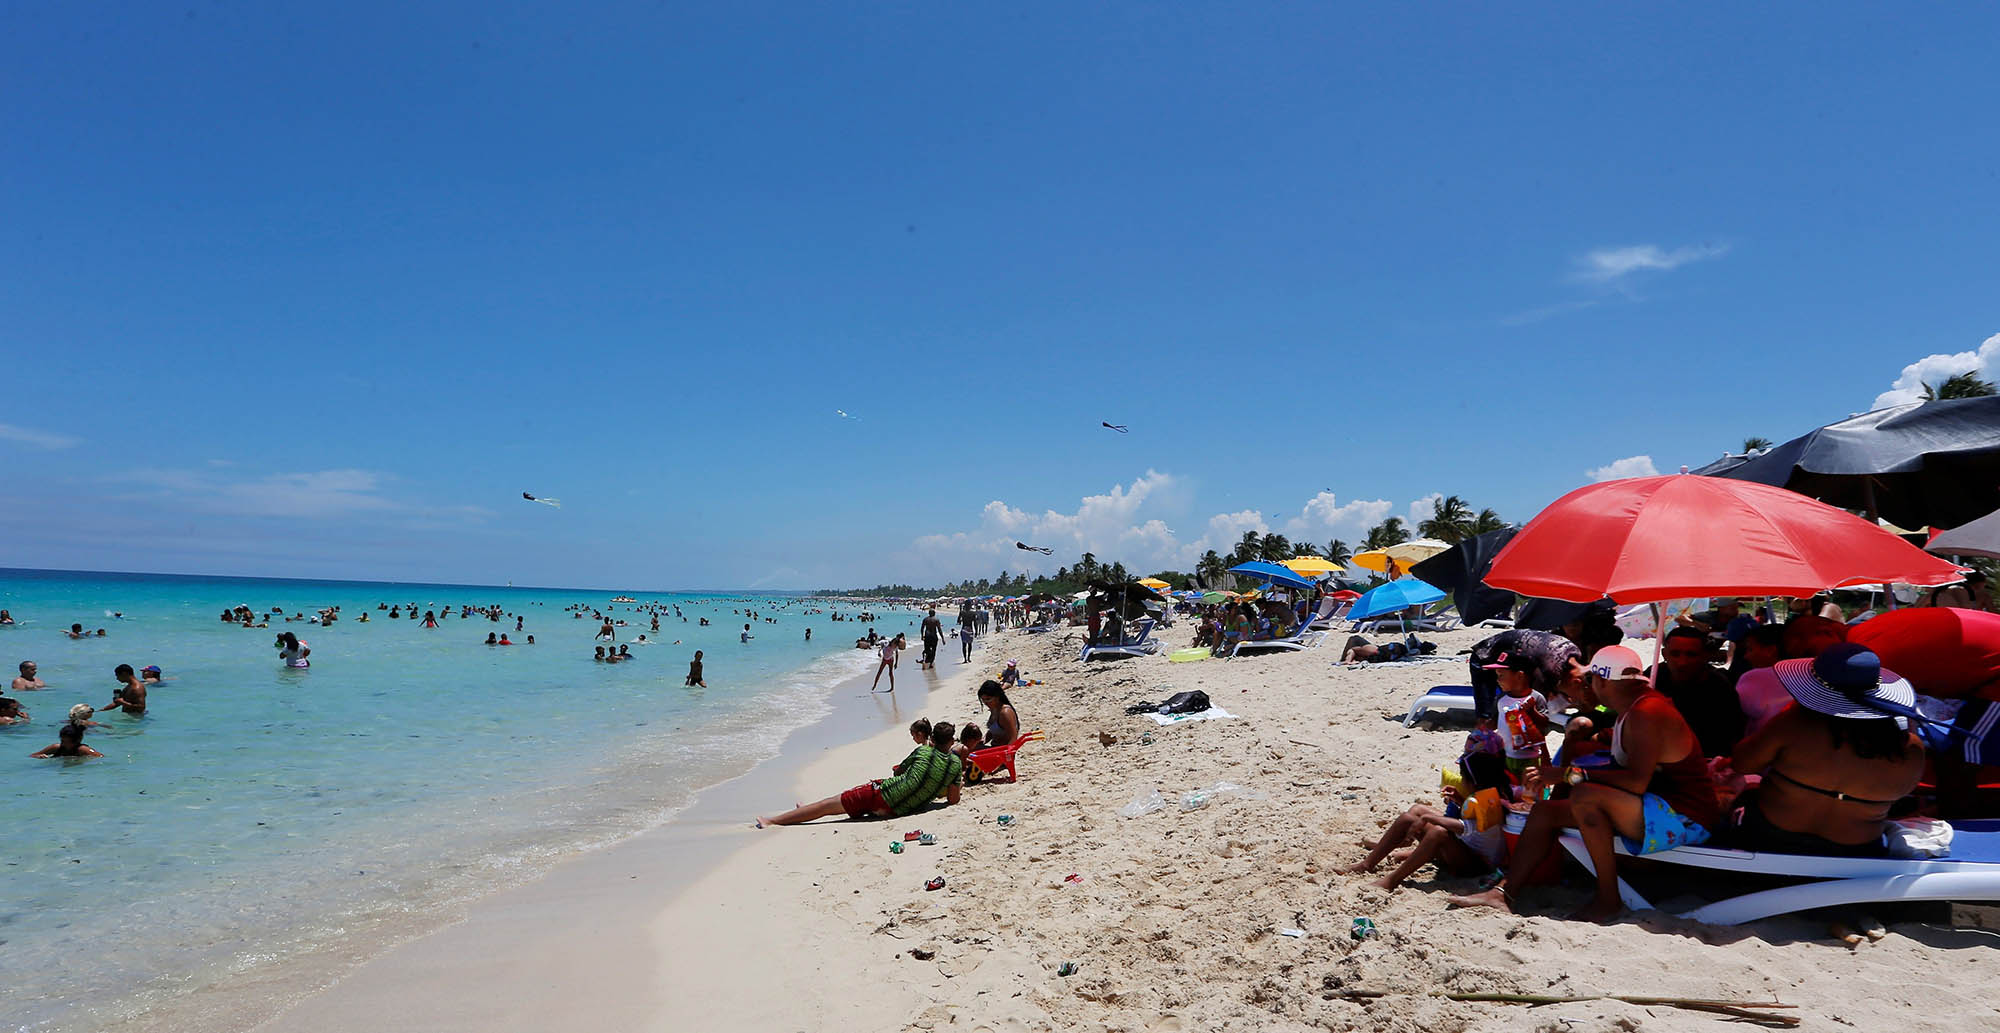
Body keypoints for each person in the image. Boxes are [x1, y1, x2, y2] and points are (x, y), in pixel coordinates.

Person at [1449, 644, 1721, 922]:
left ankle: (1608, 899)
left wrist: (1567, 773)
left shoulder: (1647, 713)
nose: (1589, 687)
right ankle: (1504, 892)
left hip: (1685, 817)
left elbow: (1636, 782)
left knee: (1587, 795)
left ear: (1603, 681)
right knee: (1545, 813)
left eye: (1591, 680)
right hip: (1659, 804)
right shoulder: (1635, 706)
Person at [1721, 644, 1926, 856]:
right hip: (1858, 849)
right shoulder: (1909, 748)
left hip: (1770, 835)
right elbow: (1903, 792)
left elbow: (1742, 762)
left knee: (1746, 792)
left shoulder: (1795, 723)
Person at [1342, 752, 1520, 890]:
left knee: (1437, 831)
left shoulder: (1493, 803)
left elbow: (1465, 827)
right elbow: (1472, 824)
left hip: (1477, 865)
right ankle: (1368, 863)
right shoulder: (1485, 794)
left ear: (1473, 782)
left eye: (1462, 778)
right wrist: (1459, 801)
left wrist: (1429, 818)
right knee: (1414, 812)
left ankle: (1391, 880)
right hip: (1465, 848)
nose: (1461, 781)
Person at [757, 721, 962, 826]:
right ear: (951, 741)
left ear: (932, 739)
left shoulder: (923, 751)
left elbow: (899, 772)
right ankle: (806, 810)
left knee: (827, 806)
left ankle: (773, 821)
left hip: (884, 796)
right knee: (831, 807)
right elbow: (953, 800)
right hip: (900, 809)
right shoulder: (955, 764)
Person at [1648, 627, 1744, 757]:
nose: (1682, 663)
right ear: (1665, 654)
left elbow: (1729, 737)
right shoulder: (1653, 676)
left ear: (1705, 656)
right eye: (1675, 654)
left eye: (1691, 655)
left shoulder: (1719, 688)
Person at [1485, 651, 1551, 777]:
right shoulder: (1501, 698)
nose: (1497, 680)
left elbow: (1543, 727)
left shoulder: (1536, 698)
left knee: (1529, 790)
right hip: (1504, 754)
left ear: (1519, 676)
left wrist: (1532, 711)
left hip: (1530, 757)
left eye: (1501, 675)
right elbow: (1494, 723)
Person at [32, 718, 103, 759]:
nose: (64, 744)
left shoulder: (83, 749)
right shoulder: (56, 747)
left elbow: (101, 757)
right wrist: (39, 756)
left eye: (68, 742)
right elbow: (32, 755)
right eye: (62, 741)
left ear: (78, 740)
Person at [978, 680, 1020, 747]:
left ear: (997, 697)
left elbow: (1013, 737)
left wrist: (1006, 753)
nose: (986, 703)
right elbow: (994, 731)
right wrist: (984, 739)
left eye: (988, 699)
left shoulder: (1005, 712)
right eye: (983, 700)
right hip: (994, 747)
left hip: (1002, 751)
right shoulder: (994, 708)